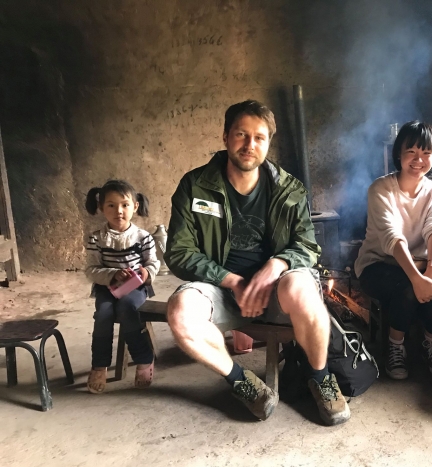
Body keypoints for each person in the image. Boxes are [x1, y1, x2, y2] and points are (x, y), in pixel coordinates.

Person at [164, 100, 350, 426]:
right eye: (241, 134)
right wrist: (232, 281)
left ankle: (320, 378)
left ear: (268, 143)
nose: (250, 145)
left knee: (301, 287)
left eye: (259, 138)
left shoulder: (289, 189)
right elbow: (179, 251)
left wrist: (276, 265)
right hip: (222, 289)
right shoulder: (195, 187)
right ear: (225, 137)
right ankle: (241, 381)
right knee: (179, 311)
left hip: (277, 290)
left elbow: (307, 246)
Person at [355, 121, 432, 380]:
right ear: (399, 153)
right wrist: (417, 278)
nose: (419, 159)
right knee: (407, 284)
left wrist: (431, 269)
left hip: (418, 262)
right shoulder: (381, 189)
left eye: (427, 153)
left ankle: (431, 343)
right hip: (378, 264)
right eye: (411, 151)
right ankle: (395, 347)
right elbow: (392, 237)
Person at [84, 180, 160, 393]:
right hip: (107, 287)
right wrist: (113, 274)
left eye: (125, 205)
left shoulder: (143, 237)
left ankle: (144, 359)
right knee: (104, 314)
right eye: (111, 205)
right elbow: (91, 269)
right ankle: (99, 365)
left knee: (128, 308)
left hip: (136, 288)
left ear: (135, 206)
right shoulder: (97, 238)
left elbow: (153, 262)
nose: (119, 211)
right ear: (101, 208)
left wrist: (146, 272)